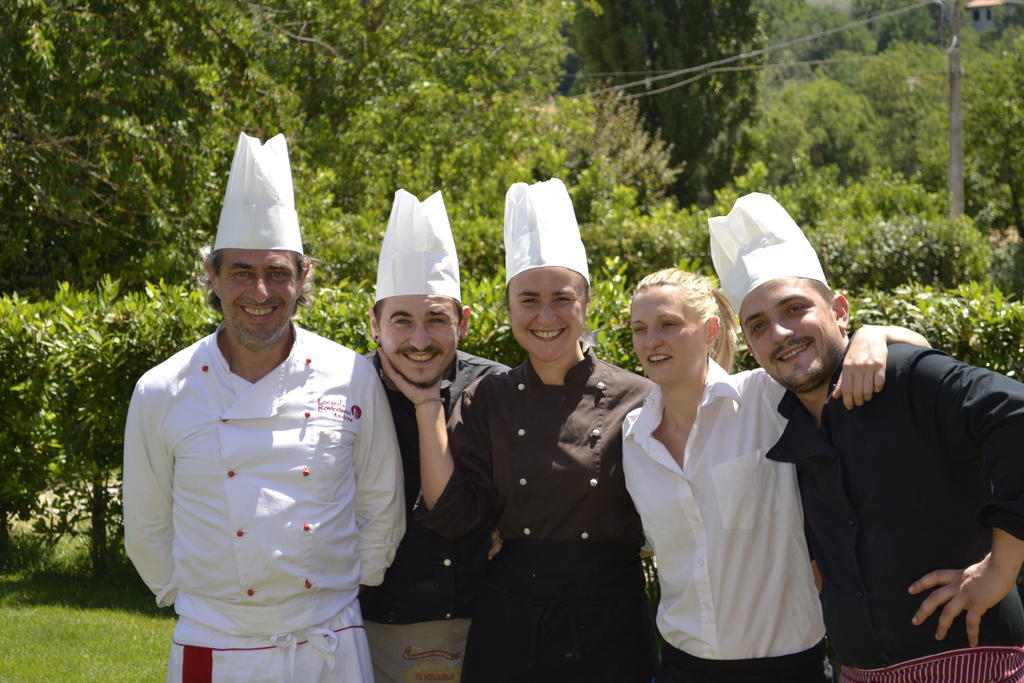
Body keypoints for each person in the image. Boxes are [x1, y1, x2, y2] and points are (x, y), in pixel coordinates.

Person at [123, 132, 405, 683]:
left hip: (330, 639)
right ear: (213, 277)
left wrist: (348, 584)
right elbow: (147, 530)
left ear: (302, 279)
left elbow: (380, 502)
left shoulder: (351, 375)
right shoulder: (161, 390)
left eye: (278, 271)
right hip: (217, 644)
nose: (260, 290)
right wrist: (216, 607)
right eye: (241, 272)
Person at [710, 192, 1024, 682]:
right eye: (759, 326)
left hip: (975, 666)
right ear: (750, 345)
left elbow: (1016, 414)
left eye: (795, 308)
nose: (780, 332)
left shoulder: (899, 375)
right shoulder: (784, 421)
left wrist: (1001, 568)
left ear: (839, 310)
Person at [381, 178, 657, 682]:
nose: (545, 316)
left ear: (586, 303)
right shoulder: (488, 398)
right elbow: (454, 514)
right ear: (508, 307)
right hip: (509, 628)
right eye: (529, 299)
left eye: (562, 298)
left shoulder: (639, 397)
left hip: (611, 628)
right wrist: (426, 406)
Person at [624, 268, 928, 683]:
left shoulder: (766, 398)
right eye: (639, 329)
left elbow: (904, 351)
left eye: (668, 325)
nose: (651, 342)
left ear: (710, 330)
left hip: (789, 668)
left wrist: (871, 335)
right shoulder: (633, 438)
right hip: (682, 667)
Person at [361, 188, 508, 682]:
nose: (420, 341)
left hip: (486, 623)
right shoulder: (343, 392)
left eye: (437, 320)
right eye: (402, 321)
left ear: (463, 323)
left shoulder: (497, 389)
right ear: (375, 324)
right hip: (373, 625)